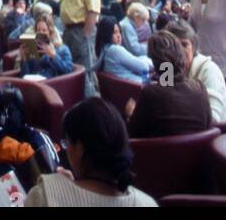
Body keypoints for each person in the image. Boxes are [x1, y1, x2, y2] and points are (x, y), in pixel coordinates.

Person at [24, 98, 157, 207]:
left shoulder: (44, 195)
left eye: (67, 143)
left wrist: (62, 187)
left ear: (80, 149)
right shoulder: (147, 203)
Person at [126, 31, 212, 139]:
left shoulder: (151, 94)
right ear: (180, 54)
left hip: (158, 155)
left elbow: (133, 134)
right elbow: (209, 128)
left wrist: (130, 115)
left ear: (155, 62)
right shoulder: (200, 88)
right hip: (197, 154)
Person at [164, 17, 226, 125]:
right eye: (173, 45)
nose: (180, 51)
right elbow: (164, 104)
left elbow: (213, 118)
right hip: (188, 133)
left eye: (184, 44)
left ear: (193, 47)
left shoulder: (209, 69)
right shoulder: (167, 68)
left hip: (220, 136)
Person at [59, 0, 101, 97]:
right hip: (69, 32)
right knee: (72, 71)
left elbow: (93, 10)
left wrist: (85, 35)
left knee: (85, 72)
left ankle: (91, 108)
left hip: (82, 31)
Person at [95, 16, 152, 84]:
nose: (119, 35)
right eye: (114, 32)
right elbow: (144, 68)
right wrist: (147, 60)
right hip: (137, 87)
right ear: (106, 34)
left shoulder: (103, 49)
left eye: (119, 32)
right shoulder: (115, 50)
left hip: (125, 87)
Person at [18, 11, 75, 80]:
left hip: (53, 85)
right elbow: (24, 76)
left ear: (50, 32)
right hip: (34, 84)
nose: (40, 33)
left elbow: (69, 70)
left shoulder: (62, 49)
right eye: (38, 30)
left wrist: (53, 56)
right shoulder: (34, 49)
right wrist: (24, 59)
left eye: (44, 30)